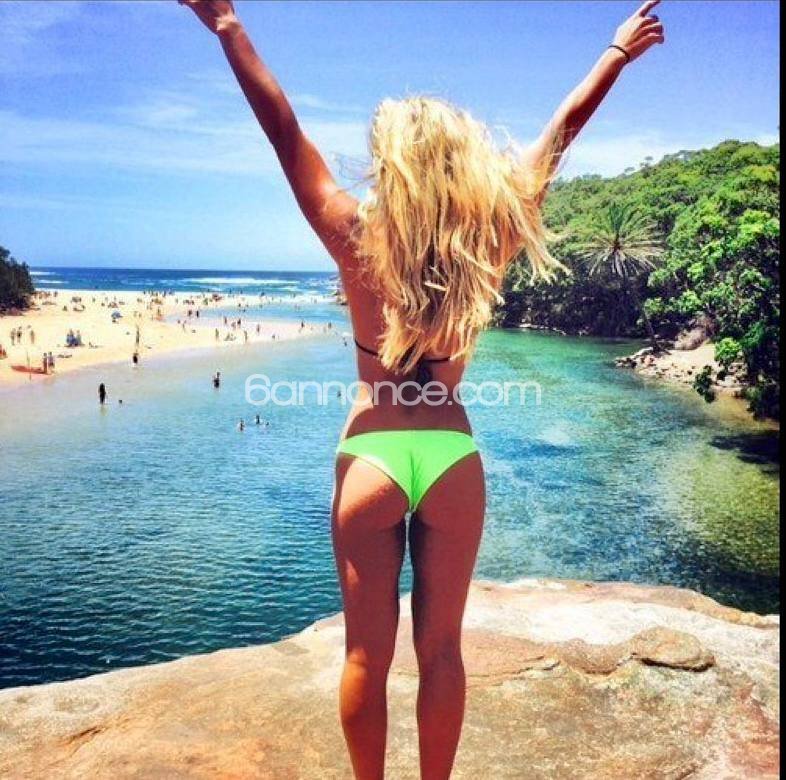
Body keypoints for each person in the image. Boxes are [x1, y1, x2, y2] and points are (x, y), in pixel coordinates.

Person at [181, 1, 665, 777]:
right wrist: (614, 54)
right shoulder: (491, 235)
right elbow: (560, 135)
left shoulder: (353, 233)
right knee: (442, 652)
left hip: (371, 455)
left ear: (392, 165)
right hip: (450, 456)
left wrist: (229, 27)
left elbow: (283, 131)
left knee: (364, 658)